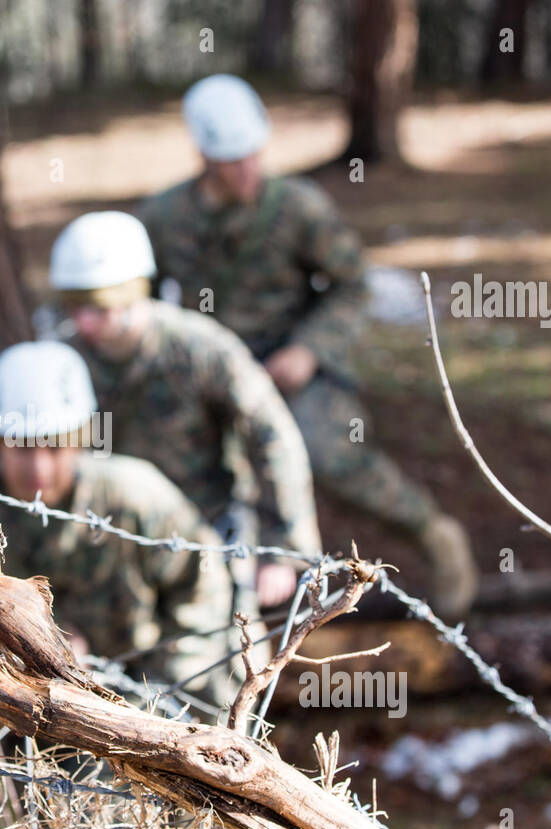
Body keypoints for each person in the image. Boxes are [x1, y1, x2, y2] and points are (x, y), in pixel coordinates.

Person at [135, 73, 478, 620]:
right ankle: (209, 601)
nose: (246, 169)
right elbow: (142, 304)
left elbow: (352, 284)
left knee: (330, 454)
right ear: (204, 154)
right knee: (187, 473)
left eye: (253, 154)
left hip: (290, 363)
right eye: (231, 159)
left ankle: (433, 532)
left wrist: (309, 350)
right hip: (214, 373)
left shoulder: (298, 209)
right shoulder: (164, 218)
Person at [42, 210, 321, 621]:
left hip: (205, 533)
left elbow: (272, 437)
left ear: (135, 292)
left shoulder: (201, 349)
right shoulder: (62, 359)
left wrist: (282, 548)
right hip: (108, 538)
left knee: (231, 661)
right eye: (74, 306)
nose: (84, 322)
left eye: (99, 307)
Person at [0, 341, 237, 702]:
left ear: (79, 440)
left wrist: (163, 688)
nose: (39, 469)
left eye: (54, 448)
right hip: (8, 701)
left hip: (138, 692)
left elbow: (202, 586)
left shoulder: (137, 498)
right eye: (22, 447)